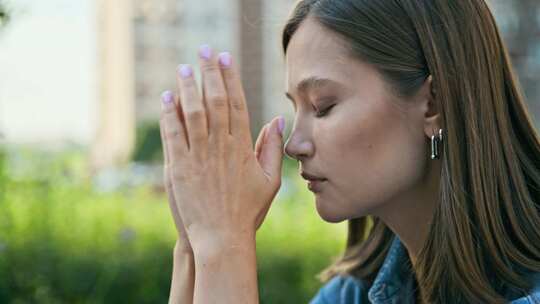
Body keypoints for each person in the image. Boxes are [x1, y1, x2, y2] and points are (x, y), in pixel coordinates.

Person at [159, 0, 540, 303]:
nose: (294, 144)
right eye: (296, 108)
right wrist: (194, 244)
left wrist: (226, 244)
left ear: (433, 103)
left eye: (323, 106)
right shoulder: (354, 294)